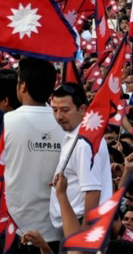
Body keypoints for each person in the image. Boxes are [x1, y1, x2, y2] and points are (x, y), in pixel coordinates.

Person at [0, 56, 63, 252]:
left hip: (14, 228)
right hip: (55, 228)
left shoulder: (7, 122)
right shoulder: (65, 123)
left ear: (23, 86)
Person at [48, 83, 112, 228]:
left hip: (79, 224)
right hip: (72, 222)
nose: (58, 116)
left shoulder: (84, 143)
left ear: (82, 109)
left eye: (65, 110)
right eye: (55, 110)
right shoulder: (74, 136)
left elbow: (93, 191)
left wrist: (84, 235)